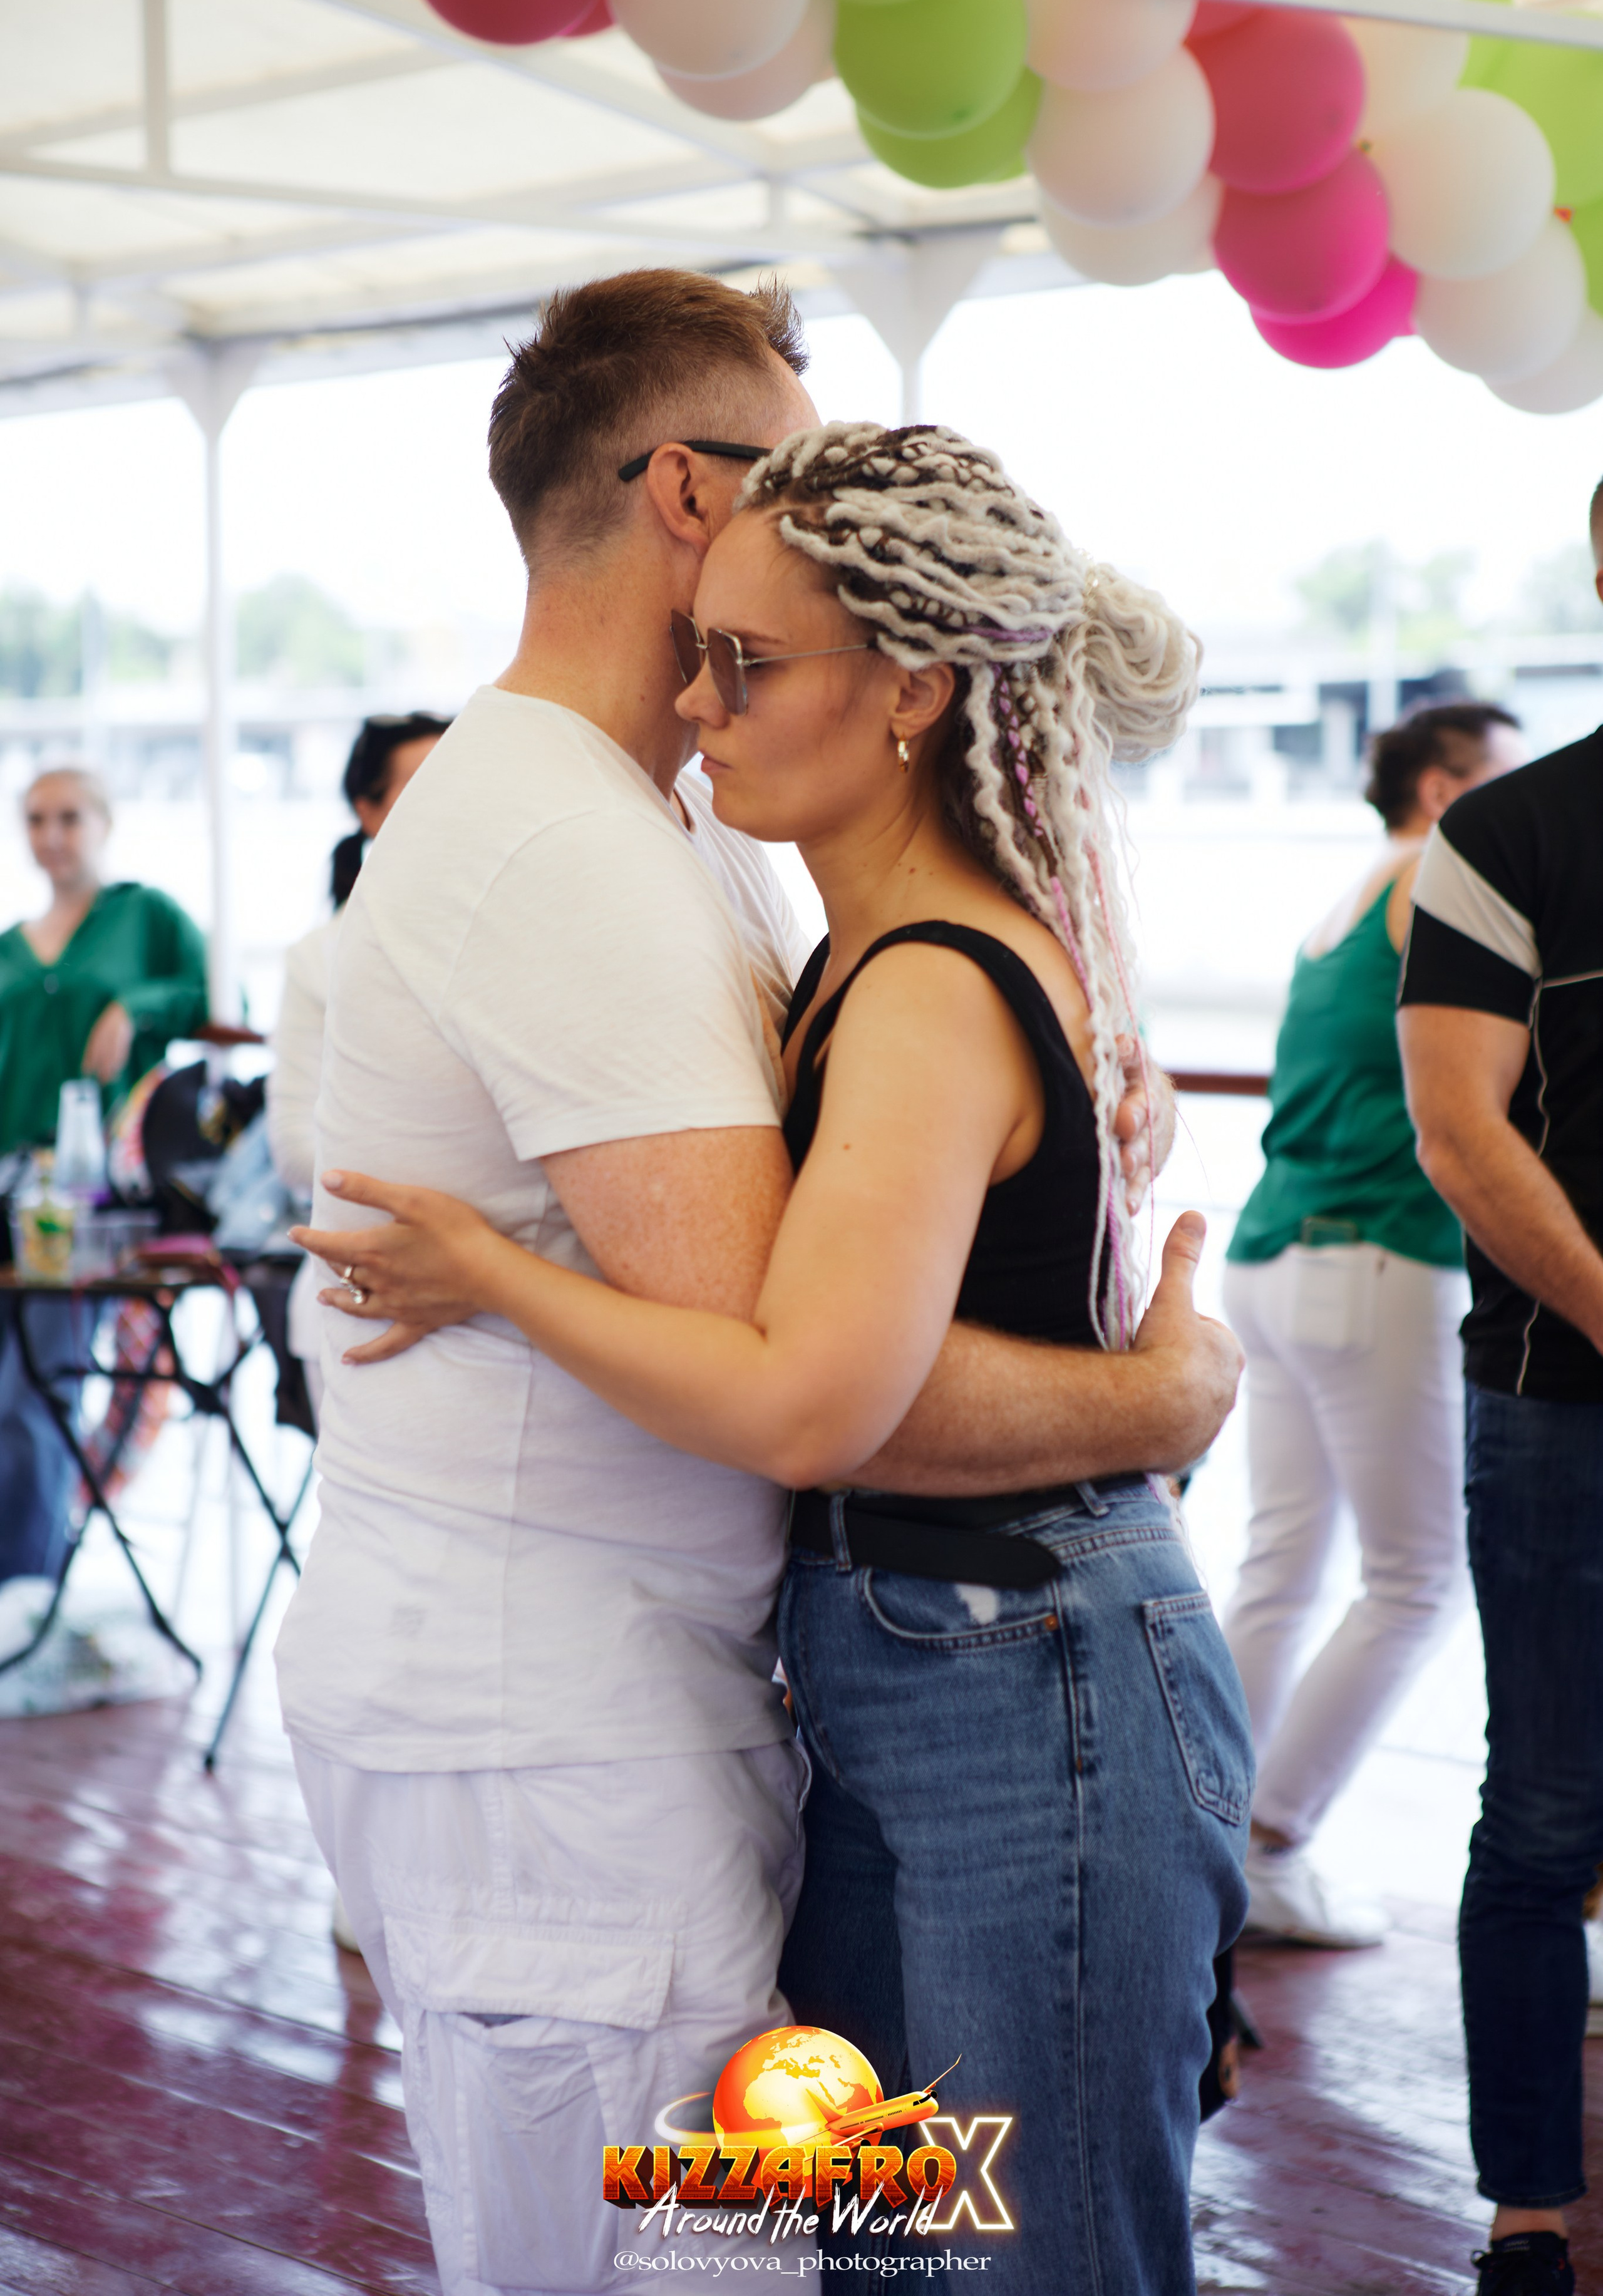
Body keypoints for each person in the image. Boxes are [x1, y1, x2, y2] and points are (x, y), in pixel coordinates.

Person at [297, 417, 1251, 2295]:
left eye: (747, 661)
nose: (700, 699)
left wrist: (497, 1268)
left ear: (907, 686)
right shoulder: (869, 952)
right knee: (902, 2245)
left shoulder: (914, 987)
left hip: (1018, 1668)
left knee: (1020, 2255)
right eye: (698, 650)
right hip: (948, 1663)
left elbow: (814, 1394)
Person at [1223, 701, 1527, 1947]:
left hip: (1271, 1254)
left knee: (1281, 1567)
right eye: (1508, 785)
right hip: (1374, 1261)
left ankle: (1206, 1836)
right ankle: (1271, 1840)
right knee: (1413, 1580)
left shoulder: (1347, 897)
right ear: (1449, 793)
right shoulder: (1439, 886)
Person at [1396, 496, 1603, 2296]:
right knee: (1542, 1813)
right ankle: (1528, 2213)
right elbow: (1460, 1132)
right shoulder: (1508, 833)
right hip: (1560, 1406)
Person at [0, 768, 207, 1586]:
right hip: (8, 1188)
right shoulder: (11, 948)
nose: (52, 835)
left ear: (105, 822)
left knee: (35, 1394)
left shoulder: (144, 917)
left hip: (88, 1195)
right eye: (36, 819)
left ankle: (27, 1593)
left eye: (69, 817)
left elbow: (206, 995)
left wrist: (134, 1009)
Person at [267, 711, 449, 1419]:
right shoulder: (321, 960)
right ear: (366, 811)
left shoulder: (516, 934)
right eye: (420, 784)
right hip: (356, 1292)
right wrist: (444, 1198)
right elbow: (293, 1148)